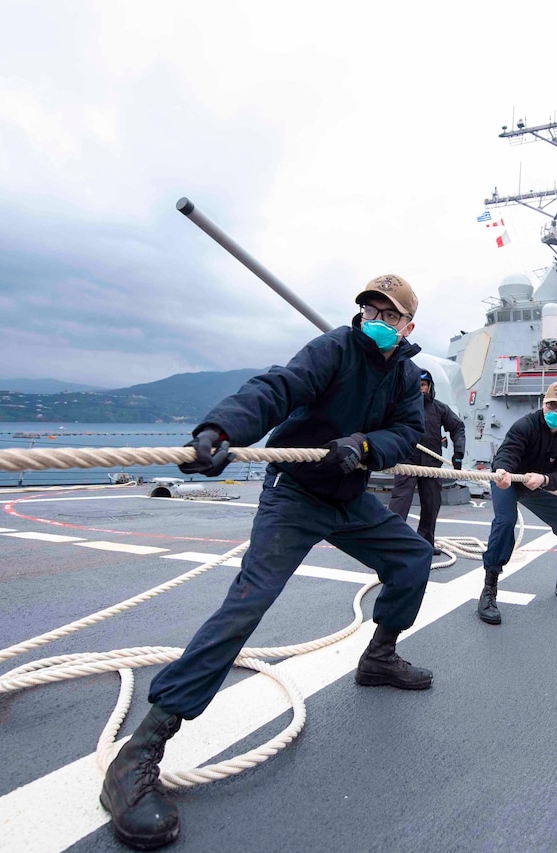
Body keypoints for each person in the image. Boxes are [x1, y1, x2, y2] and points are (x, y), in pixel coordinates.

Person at [100, 274, 435, 850]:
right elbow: (280, 387)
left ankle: (380, 657)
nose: (376, 319)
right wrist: (220, 429)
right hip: (297, 494)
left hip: (348, 497)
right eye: (369, 309)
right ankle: (140, 751)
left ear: (408, 326)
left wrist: (367, 445)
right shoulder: (335, 348)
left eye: (389, 313)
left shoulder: (404, 375)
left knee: (412, 557)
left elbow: (406, 432)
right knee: (247, 604)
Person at [476, 381, 557, 625]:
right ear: (543, 403)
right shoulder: (525, 425)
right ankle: (489, 589)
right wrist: (502, 472)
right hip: (507, 480)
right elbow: (508, 452)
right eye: (551, 405)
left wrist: (545, 479)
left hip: (540, 484)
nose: (555, 411)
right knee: (505, 523)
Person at [389, 368, 466, 555]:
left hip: (432, 463)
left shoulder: (440, 409)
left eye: (423, 385)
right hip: (407, 461)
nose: (420, 389)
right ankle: (391, 544)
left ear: (429, 387)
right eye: (417, 385)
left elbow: (458, 428)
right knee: (400, 502)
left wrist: (458, 453)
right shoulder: (402, 407)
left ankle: (425, 543)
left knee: (432, 504)